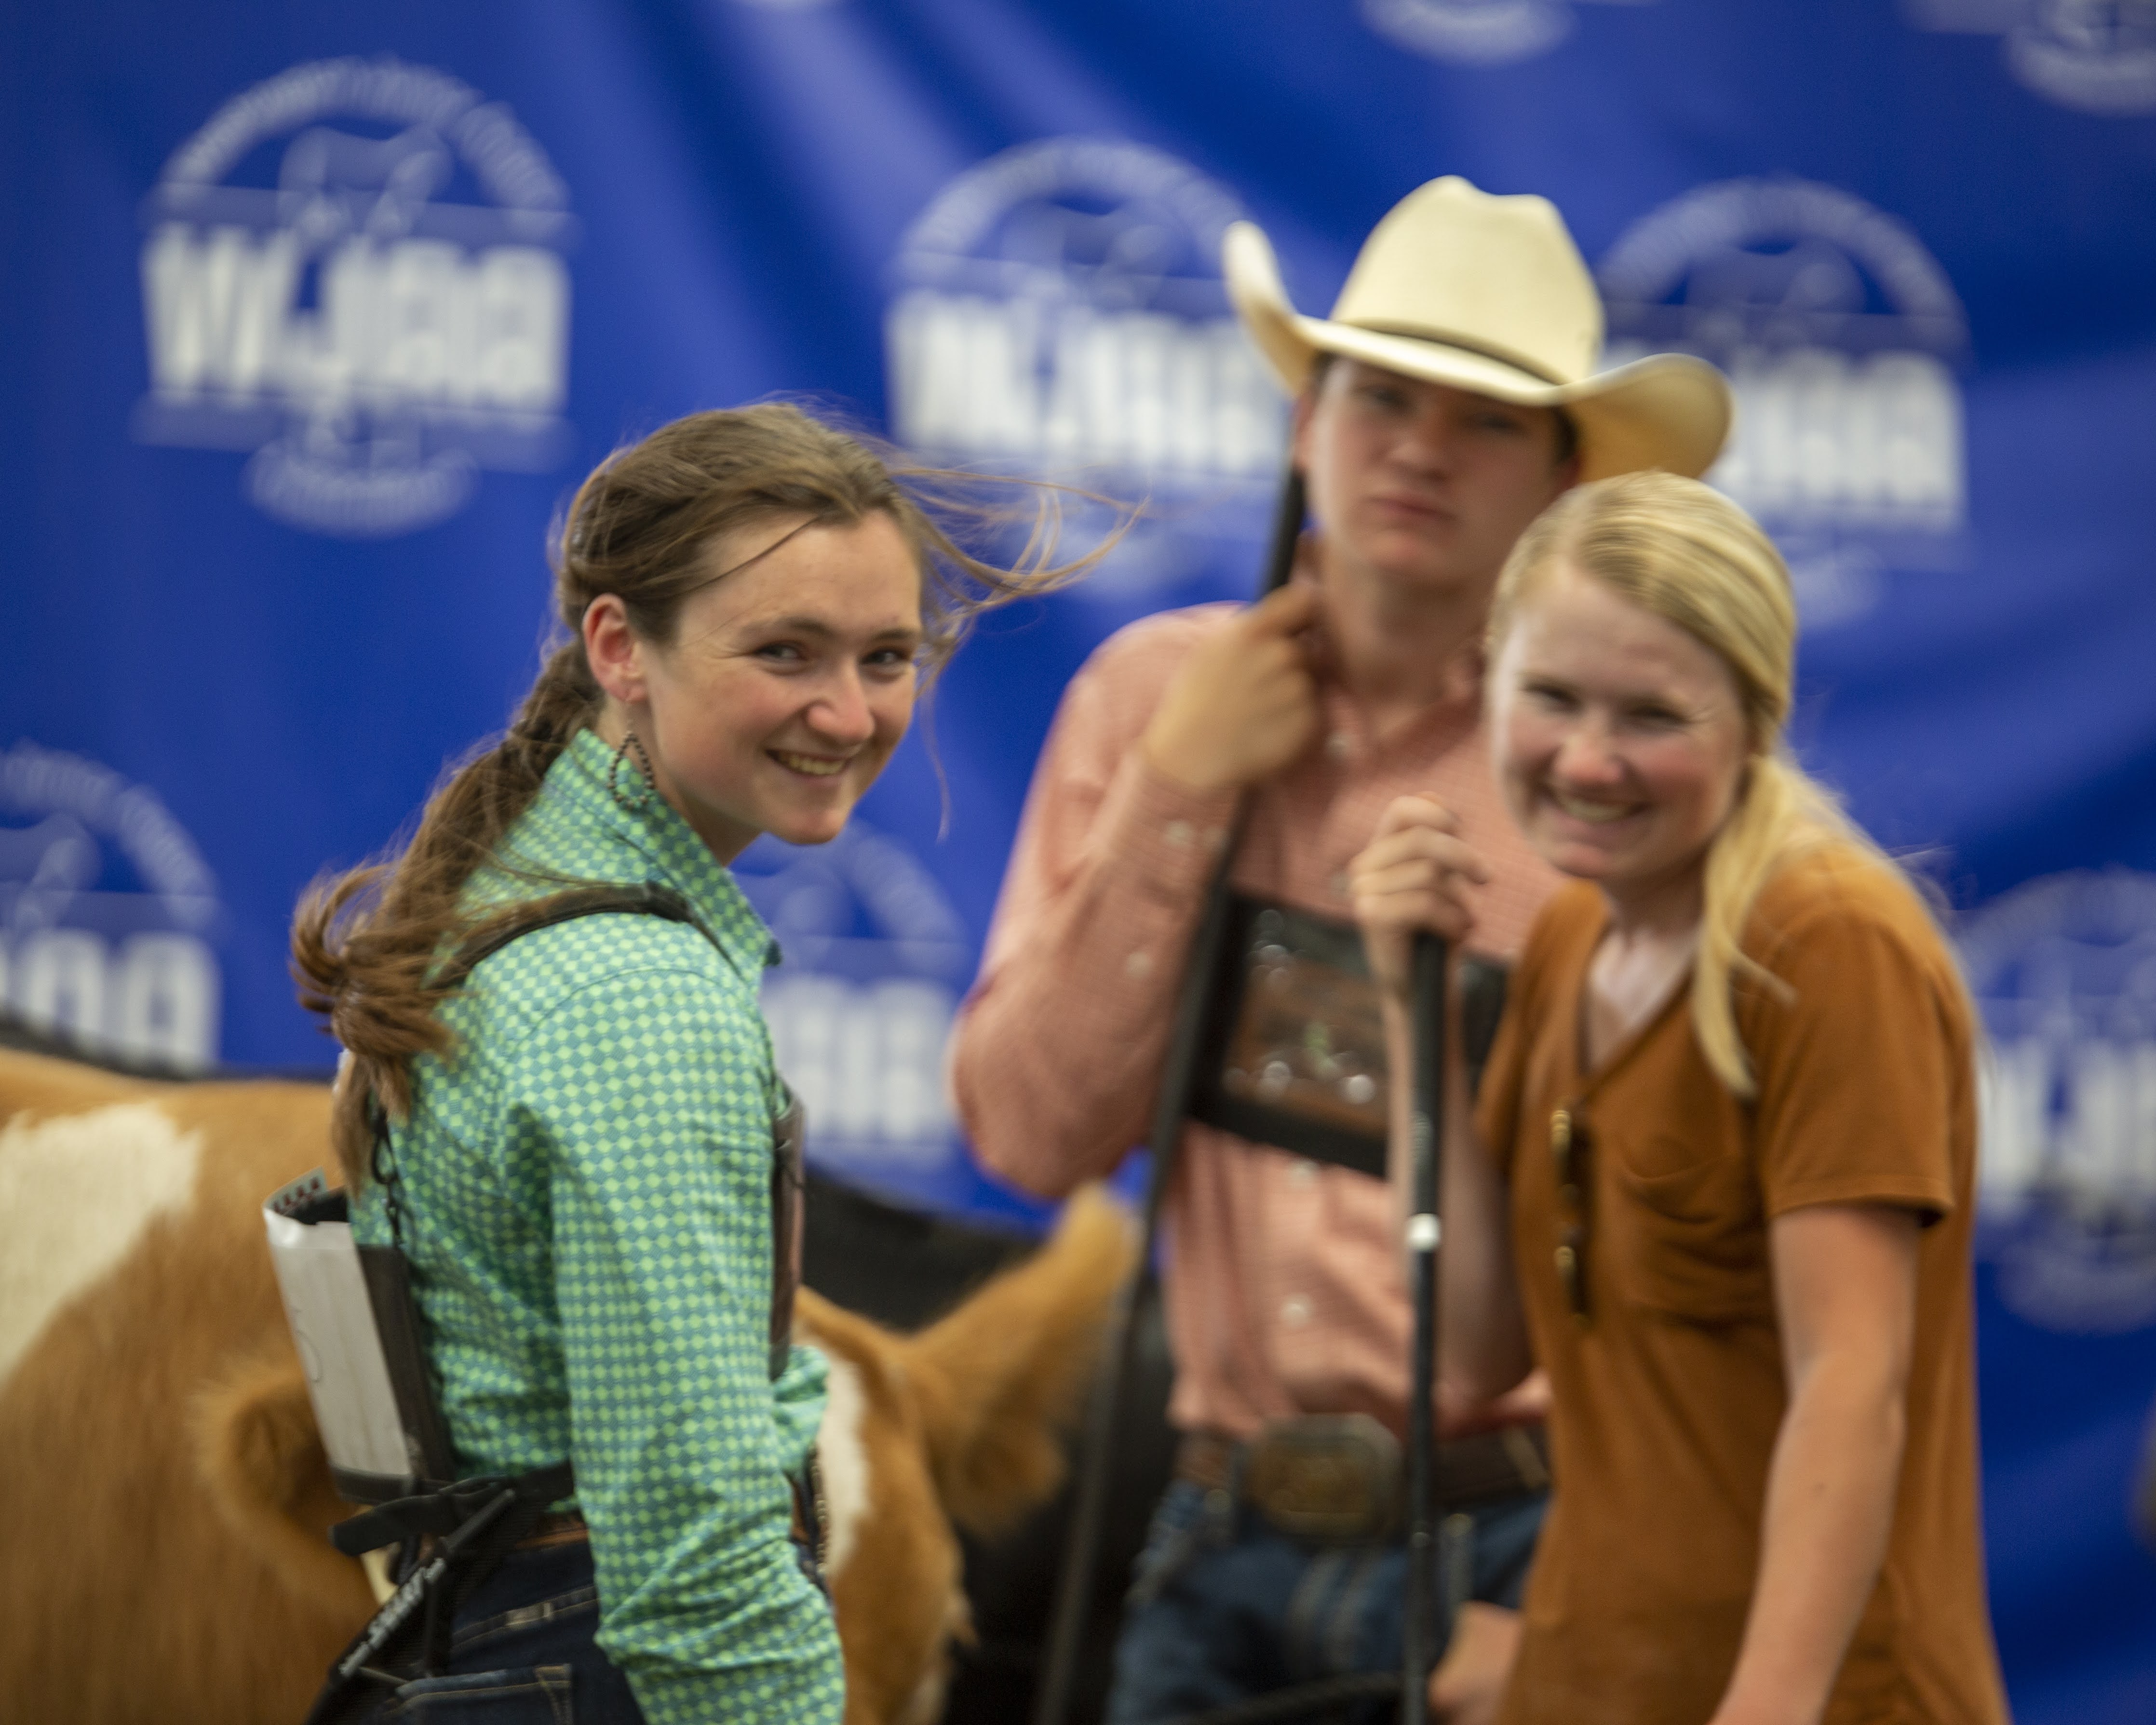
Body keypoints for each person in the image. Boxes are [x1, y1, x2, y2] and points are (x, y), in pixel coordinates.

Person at [949, 178, 1730, 1723]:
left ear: (1564, 476)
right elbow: (1031, 1135)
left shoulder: (1603, 767)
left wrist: (1595, 1613)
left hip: (1531, 1542)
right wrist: (1180, 786)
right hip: (1219, 1528)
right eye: (1381, 396)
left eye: (1486, 419)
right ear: (1307, 423)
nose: (1421, 448)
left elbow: (1688, 1242)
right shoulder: (1153, 701)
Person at [290, 404, 1095, 1724]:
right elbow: (697, 1576)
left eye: (888, 657)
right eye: (785, 651)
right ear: (620, 647)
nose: (849, 712)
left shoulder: (519, 889)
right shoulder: (639, 1004)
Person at [1349, 471, 2012, 1725]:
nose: (1588, 760)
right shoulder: (1570, 939)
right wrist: (1410, 1017)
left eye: (1652, 715)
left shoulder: (1827, 943)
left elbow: (1850, 1384)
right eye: (1551, 697)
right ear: (1489, 676)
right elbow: (1477, 1349)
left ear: (1754, 723)